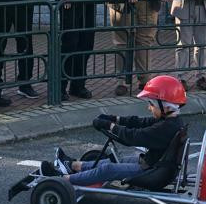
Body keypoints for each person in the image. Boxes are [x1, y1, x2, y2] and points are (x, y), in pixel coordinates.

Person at [41, 75, 186, 185]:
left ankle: (62, 180)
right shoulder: (171, 121)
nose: (149, 108)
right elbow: (140, 122)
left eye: (151, 105)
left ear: (166, 106)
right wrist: (114, 118)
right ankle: (72, 165)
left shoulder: (165, 128)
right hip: (155, 164)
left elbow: (133, 137)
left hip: (151, 171)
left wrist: (109, 126)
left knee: (108, 169)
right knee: (115, 161)